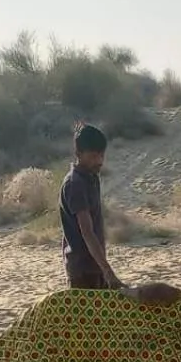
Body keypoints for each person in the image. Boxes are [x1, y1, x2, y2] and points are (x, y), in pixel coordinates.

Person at [60, 123, 123, 290]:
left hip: (95, 267)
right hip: (82, 272)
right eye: (94, 156)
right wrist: (108, 271)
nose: (100, 161)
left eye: (102, 155)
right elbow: (87, 232)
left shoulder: (91, 177)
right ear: (78, 154)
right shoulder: (75, 184)